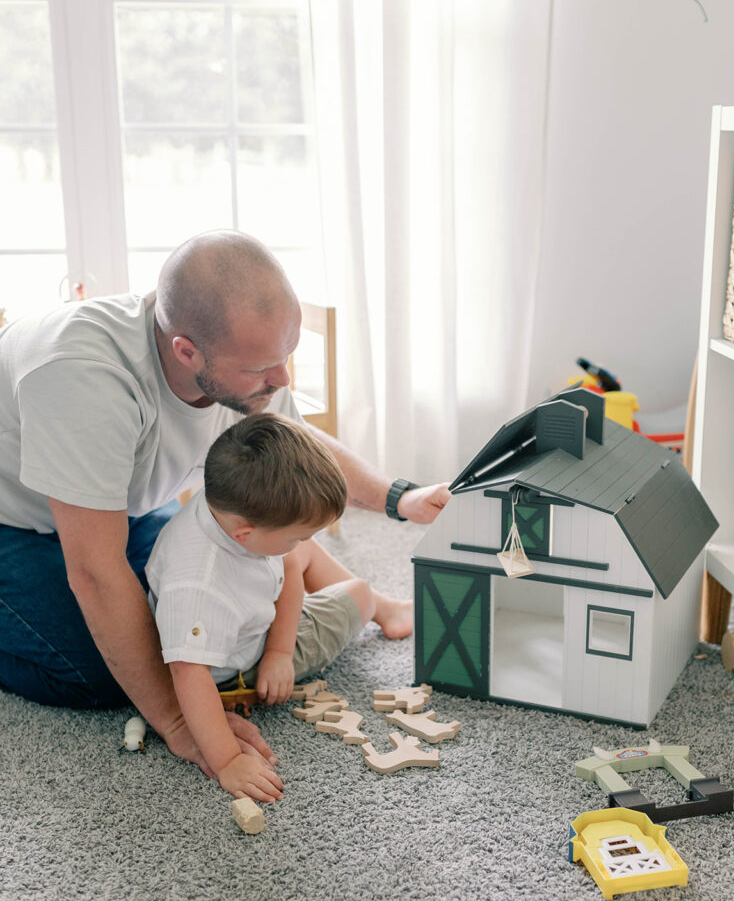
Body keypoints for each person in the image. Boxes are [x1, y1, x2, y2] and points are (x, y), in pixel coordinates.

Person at [0, 229, 450, 779]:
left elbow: (289, 438)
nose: (282, 378)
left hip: (118, 506)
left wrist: (399, 499)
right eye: (262, 368)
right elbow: (94, 571)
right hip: (13, 522)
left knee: (180, 617)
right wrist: (180, 722)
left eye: (287, 355)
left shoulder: (242, 357)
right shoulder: (86, 380)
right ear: (186, 350)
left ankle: (366, 599)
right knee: (102, 671)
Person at [148, 412, 393, 804]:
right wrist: (228, 761)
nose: (304, 541)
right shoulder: (199, 586)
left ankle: (385, 609)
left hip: (261, 629)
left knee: (296, 551)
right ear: (245, 533)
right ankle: (382, 608)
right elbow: (187, 672)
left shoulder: (227, 507)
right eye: (300, 535)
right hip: (239, 667)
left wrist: (281, 651)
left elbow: (290, 564)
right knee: (361, 593)